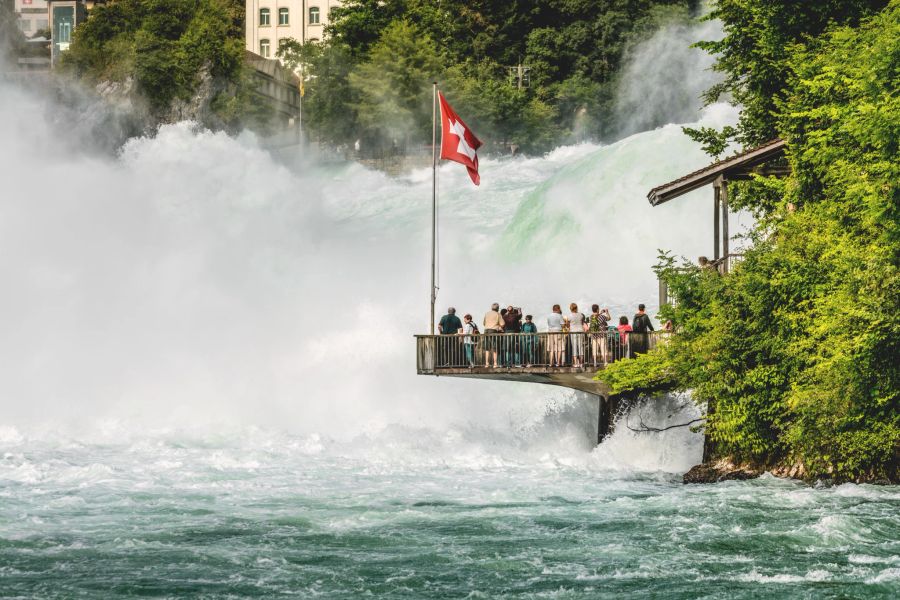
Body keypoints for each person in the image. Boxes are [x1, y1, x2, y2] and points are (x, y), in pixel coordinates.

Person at [483, 302, 504, 367]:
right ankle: (495, 364)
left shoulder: (487, 314)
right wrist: (499, 326)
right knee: (495, 348)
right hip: (494, 331)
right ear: (498, 308)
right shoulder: (498, 314)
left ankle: (487, 364)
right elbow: (502, 323)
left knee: (487, 348)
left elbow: (484, 323)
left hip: (486, 331)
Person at [568, 303, 586, 367]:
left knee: (574, 347)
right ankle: (581, 363)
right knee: (581, 347)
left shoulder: (569, 316)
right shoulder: (580, 315)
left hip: (573, 332)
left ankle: (575, 363)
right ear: (576, 308)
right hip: (580, 331)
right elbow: (582, 322)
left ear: (570, 308)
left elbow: (568, 325)